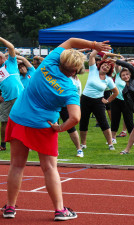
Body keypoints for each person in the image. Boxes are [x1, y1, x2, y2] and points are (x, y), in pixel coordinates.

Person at [1, 38, 111, 220]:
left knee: (16, 165)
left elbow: (71, 41)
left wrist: (94, 45)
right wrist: (60, 128)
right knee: (50, 168)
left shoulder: (49, 62)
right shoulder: (69, 88)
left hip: (19, 118)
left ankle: (10, 208)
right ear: (75, 70)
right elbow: (76, 117)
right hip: (44, 126)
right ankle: (59, 210)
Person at [79, 50, 119, 151]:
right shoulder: (93, 70)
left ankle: (110, 144)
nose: (105, 67)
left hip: (98, 102)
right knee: (84, 121)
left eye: (108, 67)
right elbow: (92, 56)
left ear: (109, 70)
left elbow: (115, 92)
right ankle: (83, 144)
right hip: (85, 99)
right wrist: (96, 47)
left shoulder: (108, 79)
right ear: (100, 64)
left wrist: (108, 100)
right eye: (104, 65)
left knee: (104, 122)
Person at [0, 37, 24, 151]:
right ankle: (3, 144)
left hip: (18, 95)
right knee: (4, 122)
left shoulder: (11, 62)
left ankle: (24, 142)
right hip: (5, 98)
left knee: (21, 120)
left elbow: (11, 47)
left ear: (3, 57)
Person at [60, 65, 85, 157]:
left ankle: (79, 149)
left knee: (71, 128)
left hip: (67, 106)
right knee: (52, 128)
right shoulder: (64, 76)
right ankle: (54, 149)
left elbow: (78, 95)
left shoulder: (77, 81)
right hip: (57, 104)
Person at [110, 59, 134, 144]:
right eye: (123, 75)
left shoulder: (132, 79)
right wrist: (126, 60)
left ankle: (132, 139)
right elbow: (117, 63)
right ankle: (113, 138)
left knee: (129, 120)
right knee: (115, 119)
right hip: (116, 100)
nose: (125, 76)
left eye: (127, 74)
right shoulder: (117, 74)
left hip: (127, 102)